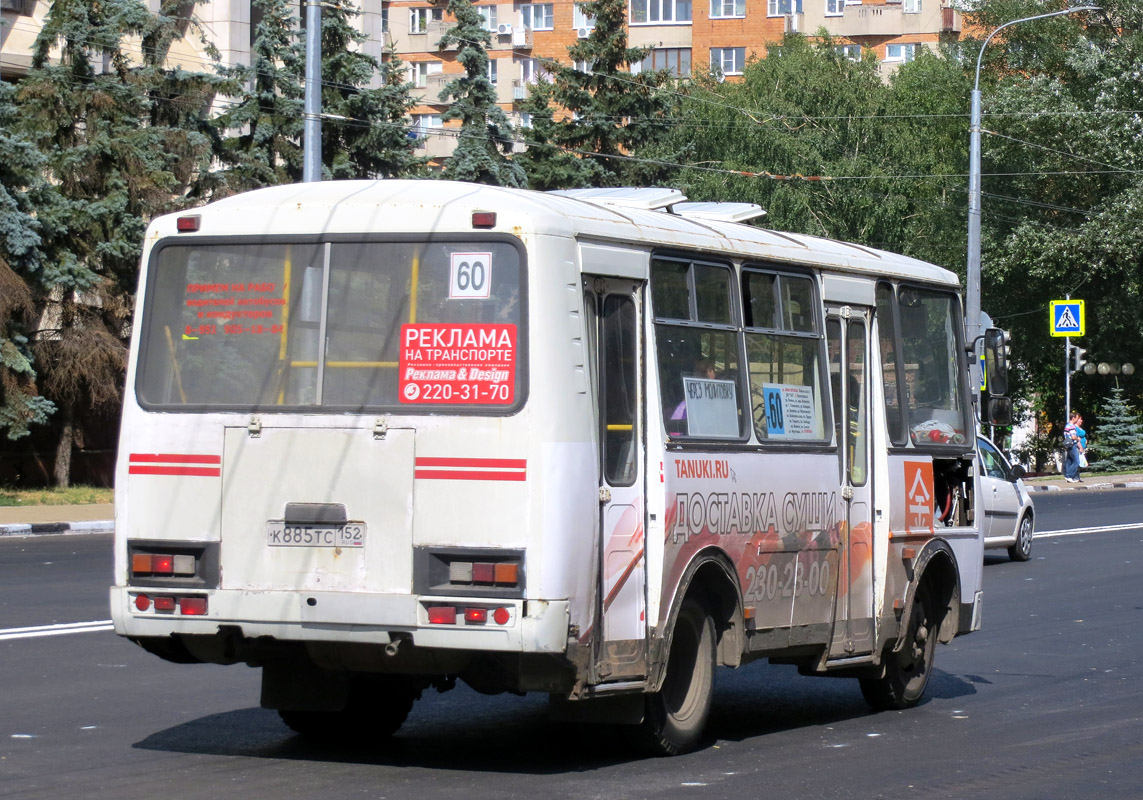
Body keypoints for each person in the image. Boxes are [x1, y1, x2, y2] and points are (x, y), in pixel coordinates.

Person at [1063, 410, 1087, 483]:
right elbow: (1073, 437)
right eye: (1076, 418)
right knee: (1076, 461)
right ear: (1073, 418)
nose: (1077, 420)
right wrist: (1077, 438)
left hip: (1068, 445)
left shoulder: (1067, 426)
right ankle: (1069, 476)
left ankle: (1072, 477)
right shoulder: (1071, 426)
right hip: (1073, 445)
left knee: (1069, 461)